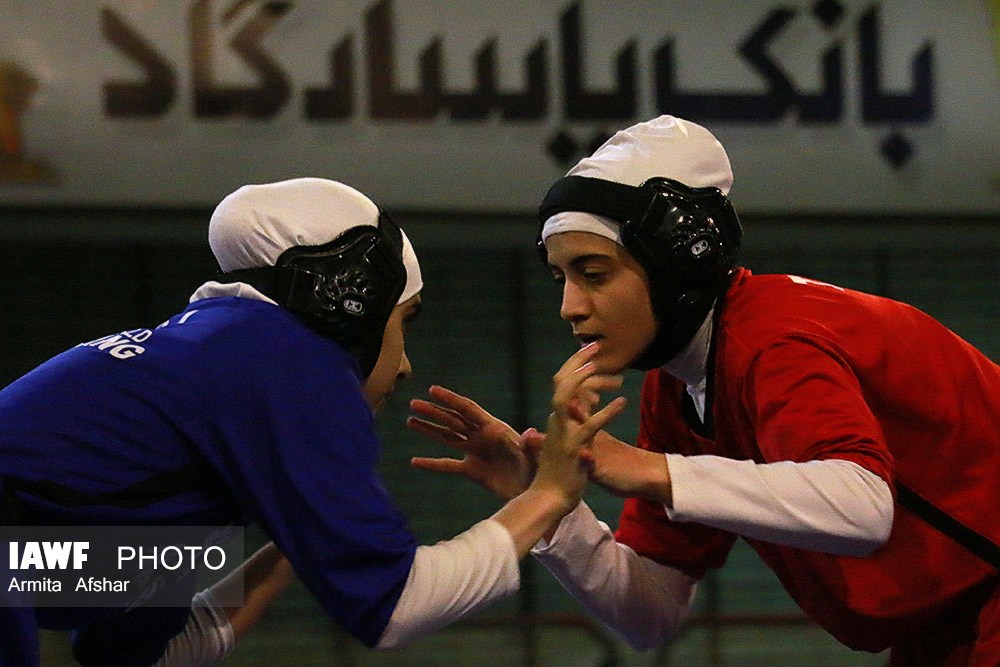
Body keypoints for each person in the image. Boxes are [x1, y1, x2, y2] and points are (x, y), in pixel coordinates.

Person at [407, 115, 1000, 665]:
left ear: (678, 262)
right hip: (952, 627)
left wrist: (647, 469)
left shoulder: (774, 338)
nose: (569, 307)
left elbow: (864, 507)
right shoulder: (679, 387)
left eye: (593, 274)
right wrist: (546, 503)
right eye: (561, 278)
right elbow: (650, 615)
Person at [0, 177, 626, 666]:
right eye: (403, 321)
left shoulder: (214, 366)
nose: (405, 365)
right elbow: (396, 608)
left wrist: (307, 535)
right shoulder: (285, 355)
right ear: (353, 298)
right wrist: (548, 494)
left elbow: (136, 656)